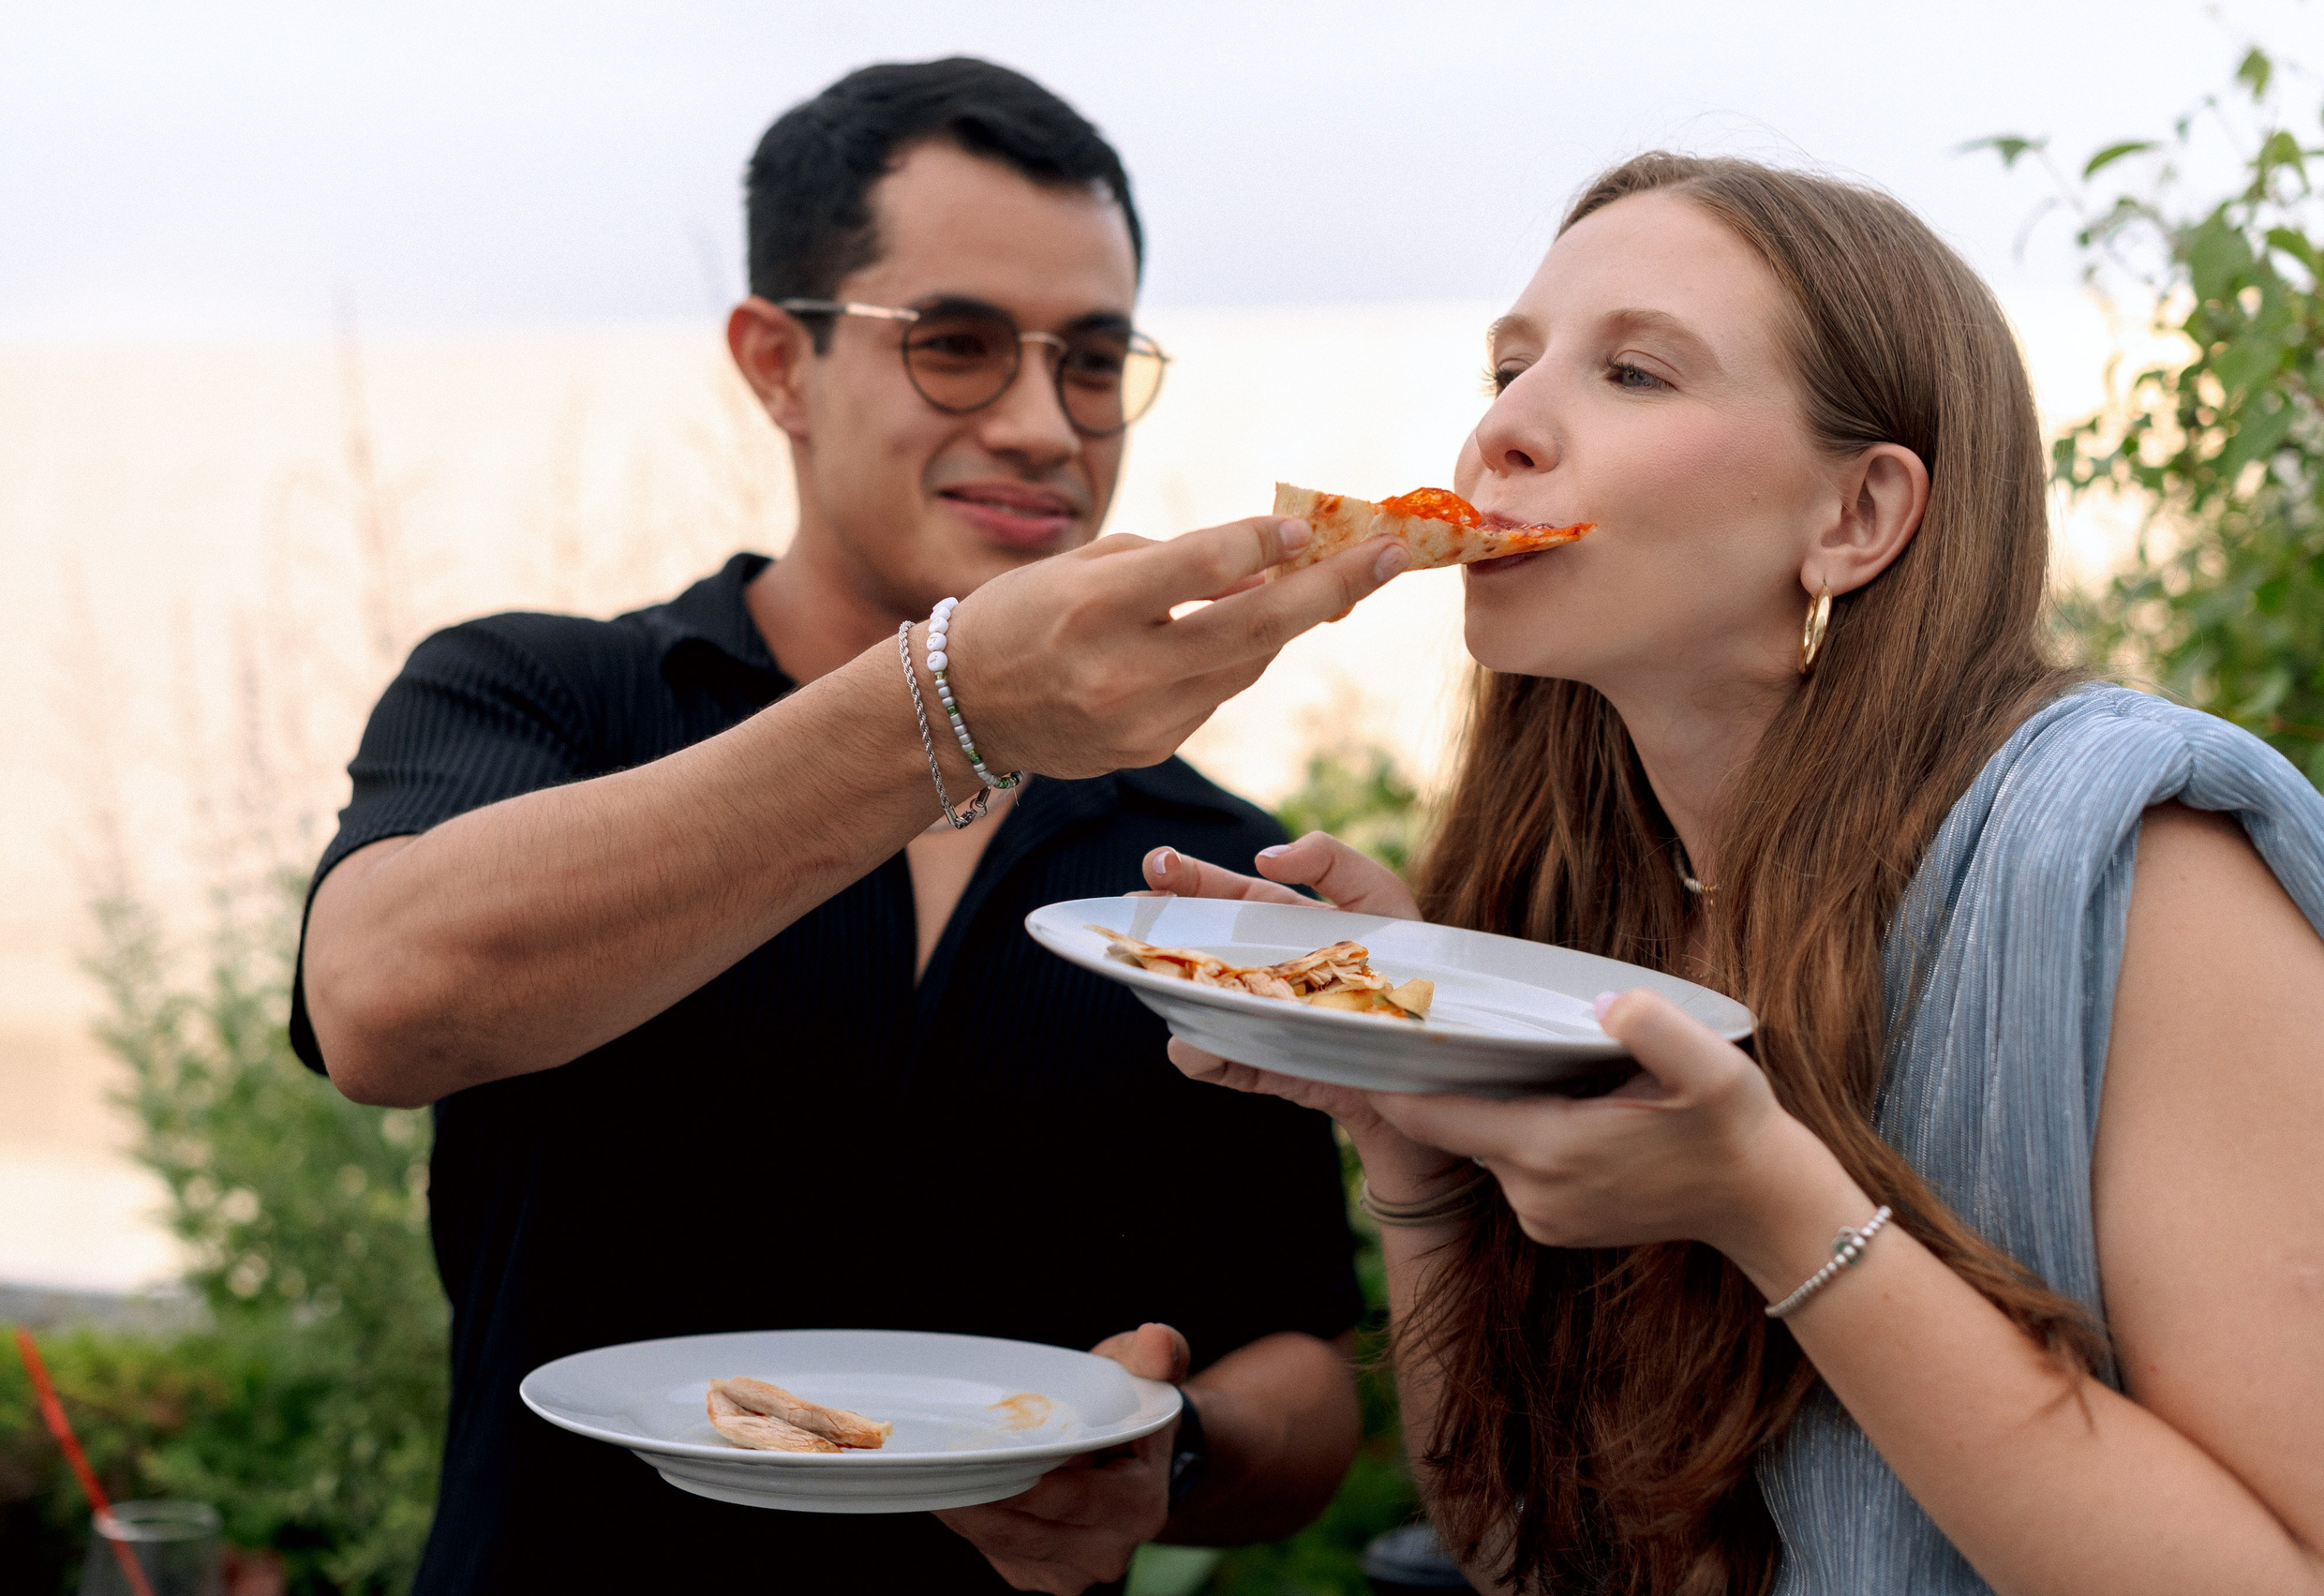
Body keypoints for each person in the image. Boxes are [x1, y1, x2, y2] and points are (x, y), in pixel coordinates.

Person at [294, 58, 1407, 1595]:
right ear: (778, 362)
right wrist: (953, 708)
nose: (1042, 424)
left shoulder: (1188, 854)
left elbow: (1295, 1351)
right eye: (954, 346)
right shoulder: (547, 695)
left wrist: (1173, 1455)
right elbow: (381, 1006)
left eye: (1091, 362)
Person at [1152, 152, 2324, 1593]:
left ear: (1857, 518)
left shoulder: (2127, 854)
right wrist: (1413, 1124)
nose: (1502, 429)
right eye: (1509, 367)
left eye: (1633, 373)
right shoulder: (1588, 899)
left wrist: (1773, 1206)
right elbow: (1525, 1555)